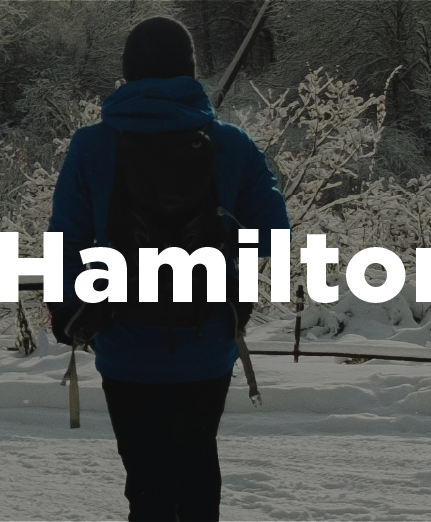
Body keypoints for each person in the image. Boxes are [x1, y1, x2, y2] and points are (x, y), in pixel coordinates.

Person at [44, 16, 290, 522]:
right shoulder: (231, 142)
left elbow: (64, 239)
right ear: (189, 71)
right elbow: (273, 232)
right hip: (208, 341)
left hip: (123, 340)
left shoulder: (91, 146)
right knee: (197, 465)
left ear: (127, 74)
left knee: (148, 480)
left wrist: (67, 312)